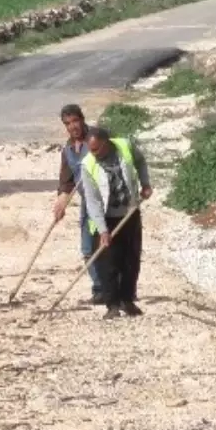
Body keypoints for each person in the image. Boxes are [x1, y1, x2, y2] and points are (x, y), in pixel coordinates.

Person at [78, 125, 153, 319]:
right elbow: (92, 201)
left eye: (96, 149)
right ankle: (112, 305)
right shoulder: (88, 165)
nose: (92, 153)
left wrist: (145, 184)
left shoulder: (125, 147)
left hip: (130, 212)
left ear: (106, 143)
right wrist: (103, 230)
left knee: (131, 259)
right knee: (108, 262)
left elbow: (141, 161)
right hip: (106, 217)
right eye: (90, 149)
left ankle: (127, 300)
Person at [52, 104, 104, 304]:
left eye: (75, 121)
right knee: (88, 249)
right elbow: (66, 182)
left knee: (106, 246)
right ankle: (99, 291)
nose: (73, 126)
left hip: (107, 201)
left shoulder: (98, 139)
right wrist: (61, 203)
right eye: (68, 123)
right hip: (87, 204)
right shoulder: (68, 149)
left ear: (82, 119)